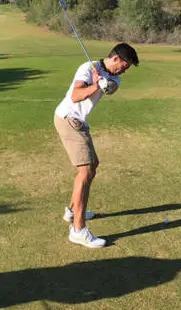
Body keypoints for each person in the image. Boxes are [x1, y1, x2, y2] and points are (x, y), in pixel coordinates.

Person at [53, 42, 139, 248]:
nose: (124, 72)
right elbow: (75, 96)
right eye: (124, 66)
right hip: (69, 119)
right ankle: (78, 230)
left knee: (93, 167)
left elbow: (112, 87)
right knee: (86, 171)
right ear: (115, 58)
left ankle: (73, 212)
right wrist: (94, 85)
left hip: (79, 122)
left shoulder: (114, 77)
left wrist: (105, 84)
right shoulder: (86, 67)